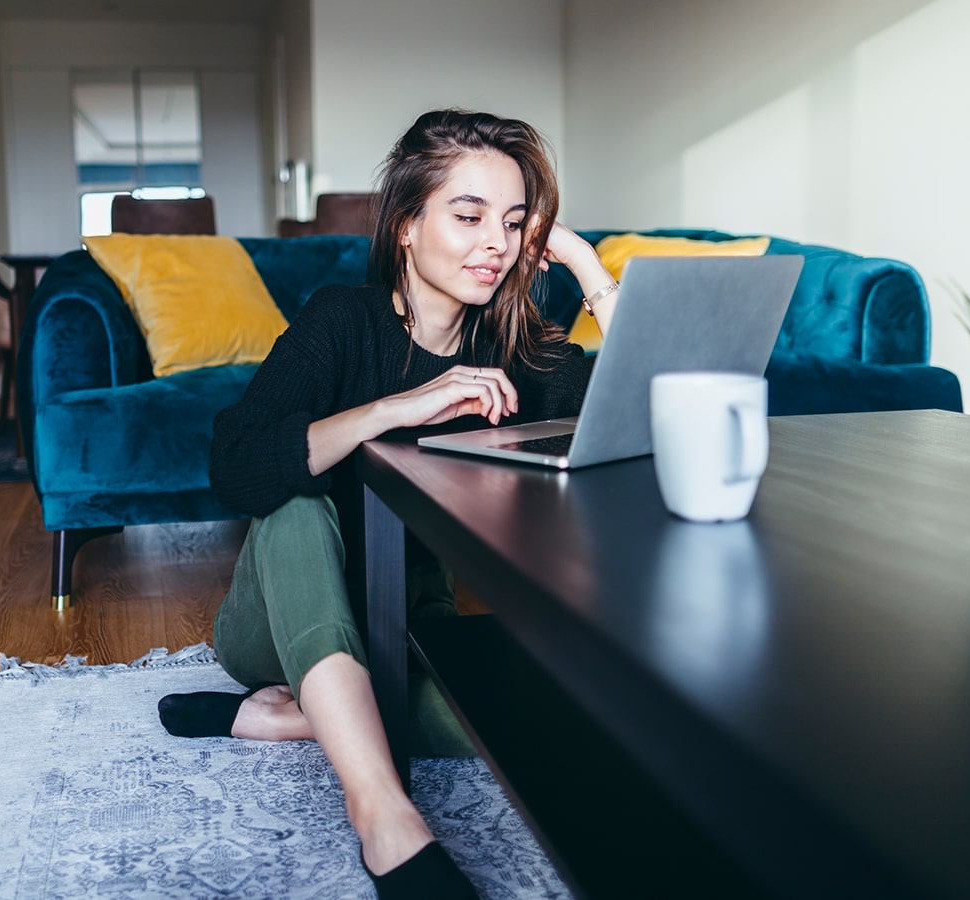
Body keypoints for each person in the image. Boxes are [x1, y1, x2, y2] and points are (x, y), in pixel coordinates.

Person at [157, 108, 622, 898]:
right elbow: (235, 466)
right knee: (295, 503)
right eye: (469, 216)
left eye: (513, 223)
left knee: (551, 714)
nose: (496, 244)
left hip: (407, 628)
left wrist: (582, 262)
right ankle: (385, 818)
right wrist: (387, 412)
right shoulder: (341, 320)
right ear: (406, 224)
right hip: (276, 621)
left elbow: (639, 405)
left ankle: (286, 718)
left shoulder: (508, 344)